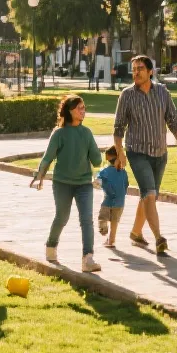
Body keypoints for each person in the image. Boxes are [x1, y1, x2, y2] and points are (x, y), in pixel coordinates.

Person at [113, 55, 177, 256]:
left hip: (160, 153)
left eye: (140, 68)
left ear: (151, 72)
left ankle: (136, 232)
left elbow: (173, 119)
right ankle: (159, 238)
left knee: (149, 194)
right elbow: (118, 128)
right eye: (134, 69)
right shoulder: (126, 96)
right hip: (137, 152)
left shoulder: (162, 92)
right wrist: (119, 152)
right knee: (150, 193)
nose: (136, 72)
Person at [31, 95, 103, 272]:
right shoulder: (59, 133)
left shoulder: (86, 133)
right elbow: (48, 157)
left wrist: (95, 154)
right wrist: (39, 175)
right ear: (70, 111)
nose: (83, 111)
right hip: (62, 183)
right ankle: (51, 246)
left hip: (84, 184)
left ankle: (88, 258)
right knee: (62, 217)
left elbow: (96, 160)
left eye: (84, 108)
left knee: (87, 220)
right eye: (79, 108)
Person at [96, 146, 128, 249]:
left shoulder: (105, 171)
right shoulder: (123, 172)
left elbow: (98, 180)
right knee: (115, 222)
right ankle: (111, 240)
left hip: (108, 200)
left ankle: (103, 228)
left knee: (102, 217)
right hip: (120, 201)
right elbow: (126, 184)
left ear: (109, 158)